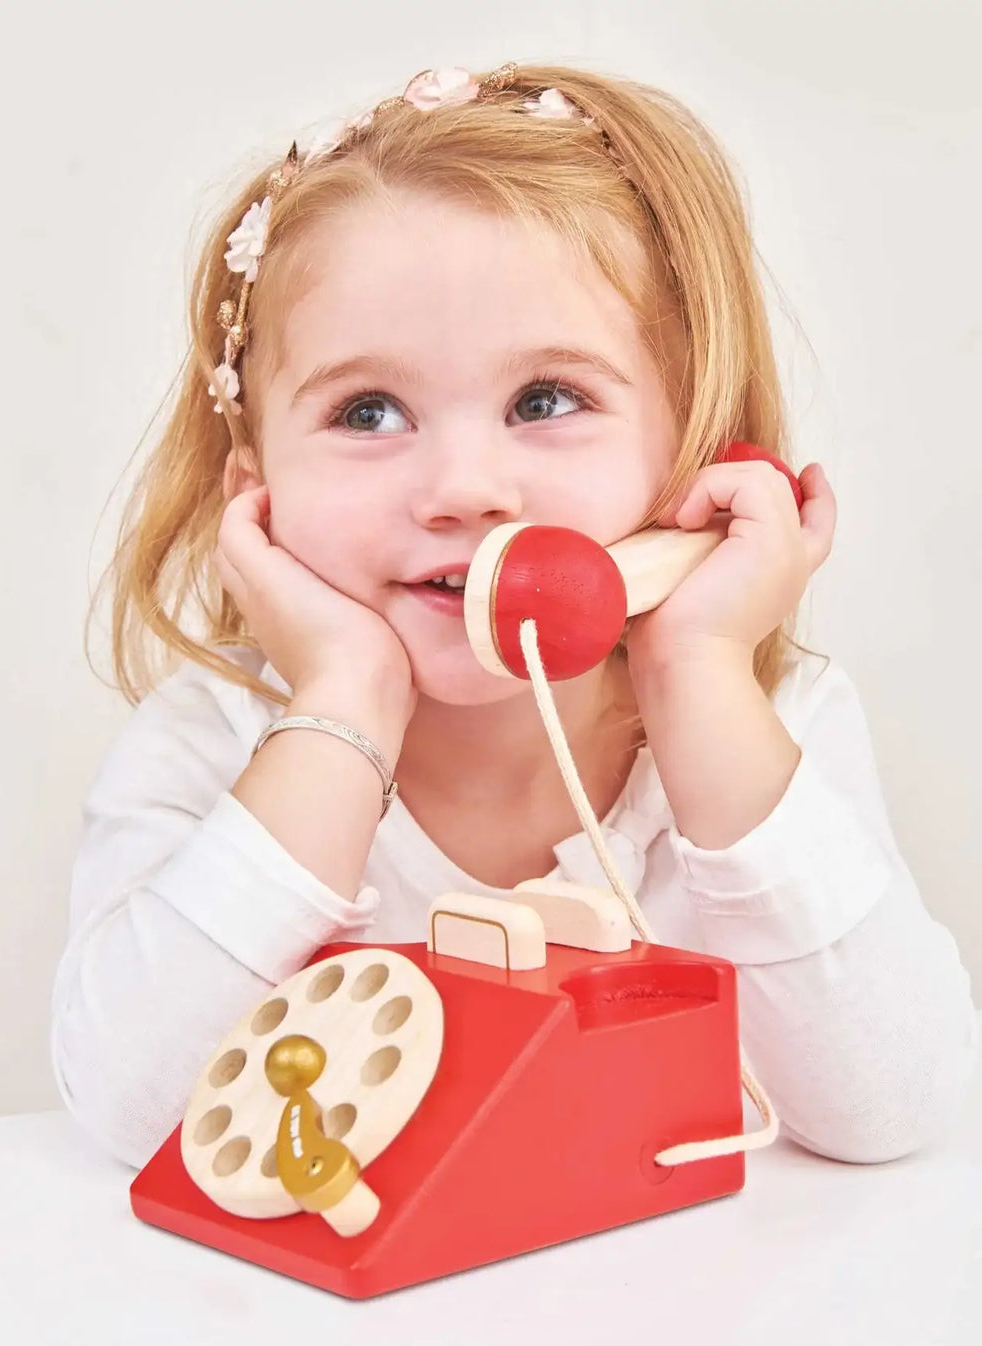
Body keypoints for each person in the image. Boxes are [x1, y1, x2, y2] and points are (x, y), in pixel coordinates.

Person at [51, 62, 977, 1170]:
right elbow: (135, 1119)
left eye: (545, 400)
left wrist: (696, 676)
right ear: (258, 494)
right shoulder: (216, 740)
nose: (464, 487)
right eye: (368, 411)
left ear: (690, 456)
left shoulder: (769, 721)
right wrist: (344, 707)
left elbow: (894, 1110)